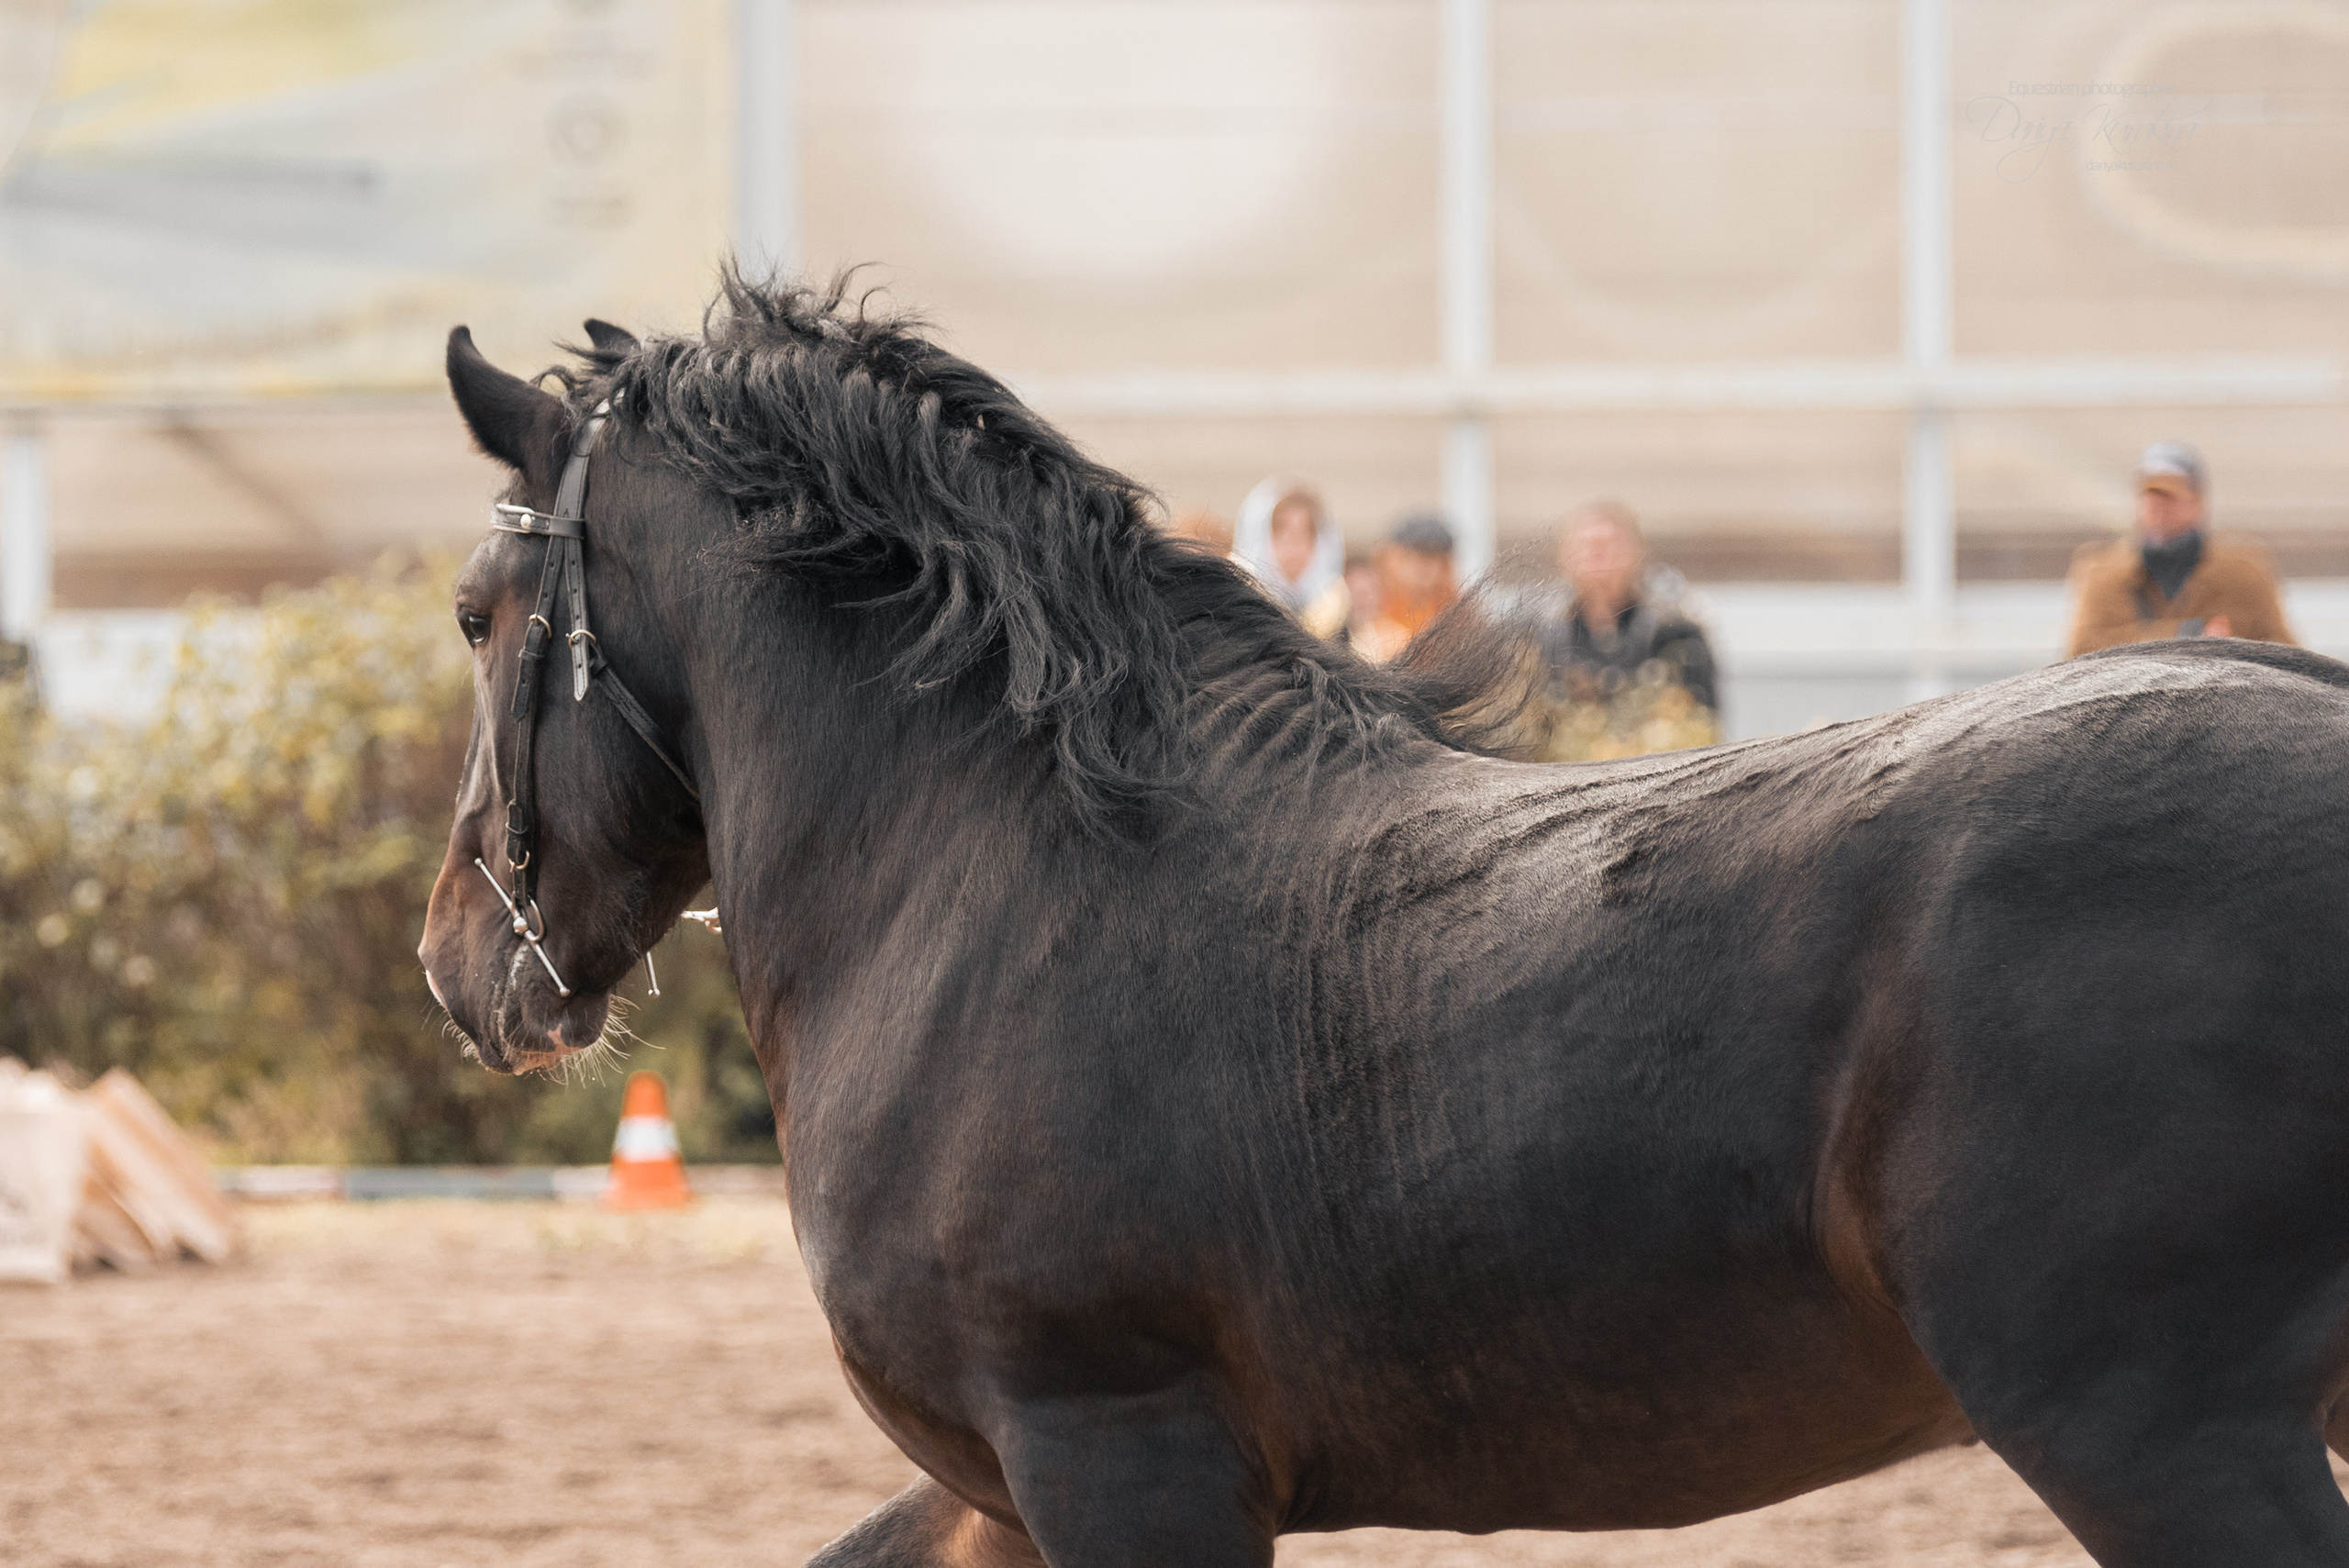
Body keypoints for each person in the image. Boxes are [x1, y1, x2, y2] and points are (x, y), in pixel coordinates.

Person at [2065, 442, 2295, 657]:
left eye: (2169, 496)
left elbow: (2286, 654)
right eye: (2149, 495)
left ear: (2197, 503)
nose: (2157, 507)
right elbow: (2080, 653)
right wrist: (2191, 636)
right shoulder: (2099, 574)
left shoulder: (2245, 575)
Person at [1540, 501, 1717, 715]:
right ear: (1563, 556)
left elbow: (1703, 718)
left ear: (1636, 552)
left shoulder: (1674, 633)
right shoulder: (1544, 638)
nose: (1598, 556)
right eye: (1586, 546)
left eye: (1610, 545)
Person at [1230, 476, 1348, 639]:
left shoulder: (1341, 619)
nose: (1294, 544)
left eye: (1305, 533)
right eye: (1282, 532)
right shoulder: (1236, 609)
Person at [1353, 514, 1459, 662]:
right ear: (1391, 559)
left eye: (1432, 556)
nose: (1422, 566)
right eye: (1412, 556)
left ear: (1445, 565)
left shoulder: (1457, 613)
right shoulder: (1372, 601)